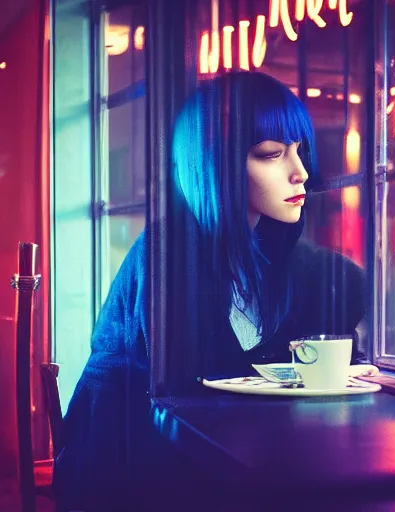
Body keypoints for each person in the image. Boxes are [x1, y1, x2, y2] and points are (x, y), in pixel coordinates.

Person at [54, 71, 377, 511]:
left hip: (222, 469)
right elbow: (189, 401)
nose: (300, 172)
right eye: (271, 154)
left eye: (300, 151)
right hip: (130, 475)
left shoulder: (288, 264)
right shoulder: (167, 255)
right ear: (215, 164)